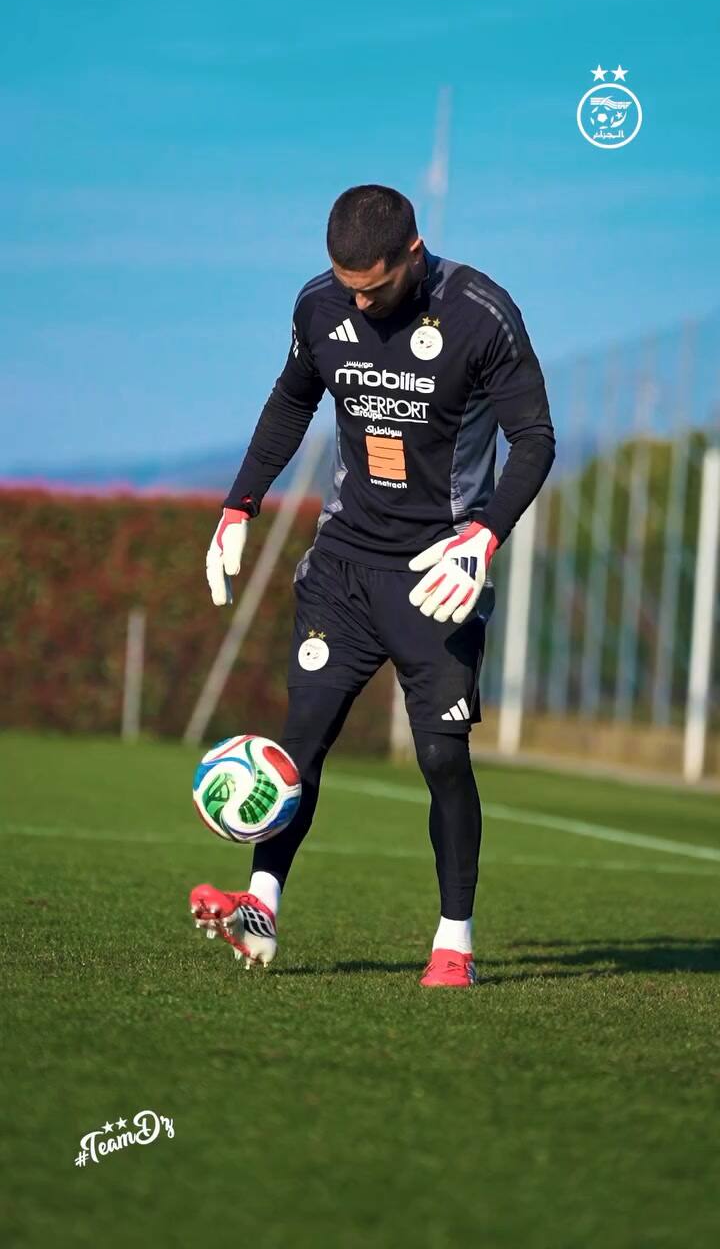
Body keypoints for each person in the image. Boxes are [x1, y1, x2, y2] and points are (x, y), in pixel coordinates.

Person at [190, 184, 555, 987]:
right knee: (302, 739)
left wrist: (483, 536)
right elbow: (290, 402)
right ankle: (259, 912)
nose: (358, 300)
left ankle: (453, 942)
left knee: (440, 756)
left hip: (438, 576)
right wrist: (238, 504)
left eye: (374, 286)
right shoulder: (319, 308)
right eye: (346, 284)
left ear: (412, 254)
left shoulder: (481, 314)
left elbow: (535, 439)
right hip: (345, 566)